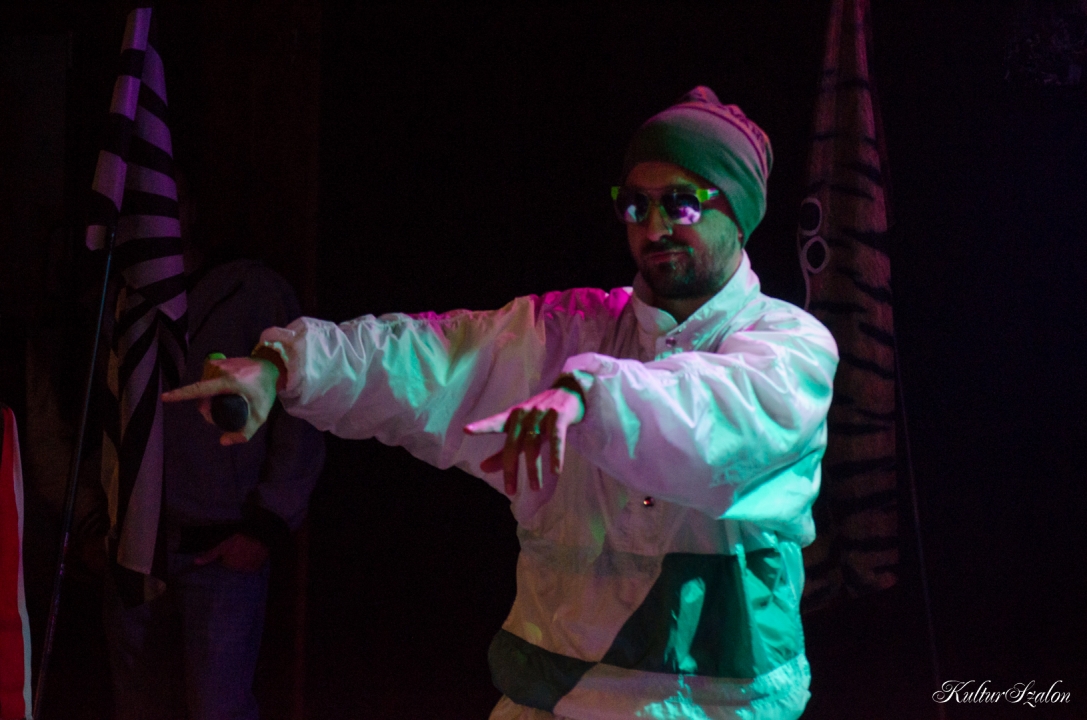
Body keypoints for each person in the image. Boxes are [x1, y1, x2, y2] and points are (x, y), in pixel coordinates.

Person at [165, 87, 838, 720]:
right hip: (553, 700)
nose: (654, 225)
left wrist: (589, 395)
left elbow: (715, 424)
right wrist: (286, 365)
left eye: (682, 204)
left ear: (739, 214)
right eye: (636, 205)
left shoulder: (790, 349)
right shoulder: (571, 330)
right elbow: (427, 357)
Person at [105, 180, 326, 720]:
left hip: (220, 544)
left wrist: (266, 526)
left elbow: (300, 415)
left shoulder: (251, 291)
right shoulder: (121, 299)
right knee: (137, 705)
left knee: (217, 707)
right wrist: (97, 519)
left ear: (189, 209)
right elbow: (103, 413)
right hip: (132, 543)